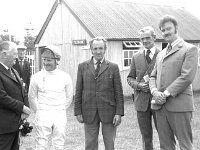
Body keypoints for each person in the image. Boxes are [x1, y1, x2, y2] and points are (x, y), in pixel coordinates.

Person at [149, 15, 198, 150]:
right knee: (165, 146)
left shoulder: (189, 49)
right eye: (162, 30)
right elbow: (152, 76)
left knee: (185, 145)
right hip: (160, 106)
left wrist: (164, 94)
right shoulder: (160, 54)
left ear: (176, 28)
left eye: (168, 28)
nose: (165, 32)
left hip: (180, 106)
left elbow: (186, 77)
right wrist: (154, 92)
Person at [74, 36, 124, 150]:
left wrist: (119, 113)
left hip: (109, 112)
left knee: (109, 144)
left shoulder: (113, 67)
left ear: (105, 49)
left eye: (101, 48)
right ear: (91, 50)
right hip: (89, 111)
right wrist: (78, 111)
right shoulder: (82, 67)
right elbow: (78, 90)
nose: (98, 51)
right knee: (90, 144)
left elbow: (118, 92)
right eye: (95, 49)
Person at [28, 45, 73, 150]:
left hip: (59, 112)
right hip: (43, 112)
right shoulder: (36, 77)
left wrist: (59, 108)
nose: (46, 63)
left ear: (57, 60)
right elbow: (32, 97)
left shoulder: (65, 77)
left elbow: (69, 97)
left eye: (49, 60)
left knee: (59, 142)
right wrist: (39, 111)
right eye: (44, 60)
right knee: (41, 142)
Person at [127, 26, 160, 150]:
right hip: (141, 103)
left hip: (159, 101)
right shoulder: (136, 56)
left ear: (154, 38)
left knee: (164, 134)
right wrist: (139, 85)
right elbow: (130, 78)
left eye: (147, 38)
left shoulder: (162, 54)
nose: (145, 41)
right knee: (146, 136)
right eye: (142, 39)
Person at [0, 41, 31, 150]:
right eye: (14, 53)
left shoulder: (13, 71)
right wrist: (22, 107)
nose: (17, 57)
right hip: (3, 127)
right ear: (4, 54)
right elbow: (2, 97)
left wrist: (25, 110)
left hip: (15, 124)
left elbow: (23, 90)